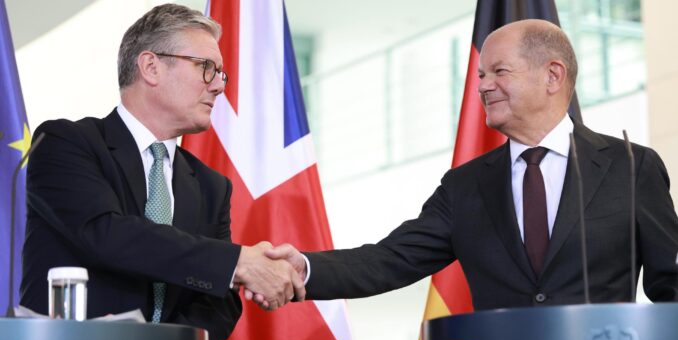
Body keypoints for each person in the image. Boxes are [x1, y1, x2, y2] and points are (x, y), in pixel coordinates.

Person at [255, 19, 678, 309]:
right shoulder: (465, 186)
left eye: (498, 71)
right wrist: (304, 268)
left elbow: (670, 285)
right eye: (479, 75)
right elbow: (388, 260)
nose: (482, 86)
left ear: (552, 76)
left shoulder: (630, 167)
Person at [20, 3, 303, 340]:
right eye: (206, 68)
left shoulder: (211, 186)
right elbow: (106, 233)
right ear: (151, 67)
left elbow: (219, 301)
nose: (218, 85)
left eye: (221, 73)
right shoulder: (66, 143)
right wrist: (237, 262)